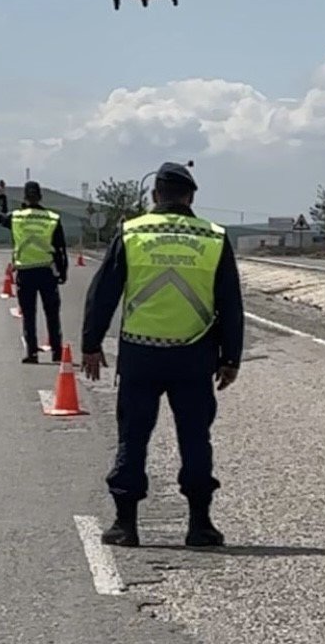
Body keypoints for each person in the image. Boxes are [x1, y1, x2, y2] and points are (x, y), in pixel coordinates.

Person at [81, 162, 244, 548]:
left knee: (133, 436)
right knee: (195, 438)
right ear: (191, 197)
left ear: (155, 195)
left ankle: (125, 525)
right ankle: (200, 525)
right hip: (194, 354)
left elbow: (104, 293)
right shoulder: (214, 237)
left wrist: (91, 344)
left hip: (141, 353)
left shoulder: (131, 232)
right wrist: (231, 358)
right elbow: (230, 302)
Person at [0, 179, 68, 364]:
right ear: (40, 196)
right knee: (52, 313)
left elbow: (0, 217)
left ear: (25, 198)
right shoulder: (52, 218)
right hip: (47, 271)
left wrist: (2, 196)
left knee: (29, 314)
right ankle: (57, 352)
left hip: (25, 272)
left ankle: (32, 353)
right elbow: (60, 248)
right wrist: (63, 272)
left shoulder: (17, 217)